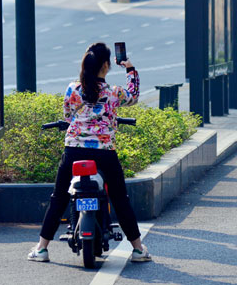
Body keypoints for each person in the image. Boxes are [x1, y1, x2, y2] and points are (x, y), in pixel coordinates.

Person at [28, 42, 151, 263]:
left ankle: (41, 249)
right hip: (105, 153)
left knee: (58, 198)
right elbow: (133, 95)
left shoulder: (73, 89)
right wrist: (130, 68)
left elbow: (67, 116)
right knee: (120, 199)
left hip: (74, 150)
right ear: (106, 65)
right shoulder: (114, 93)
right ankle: (138, 249)